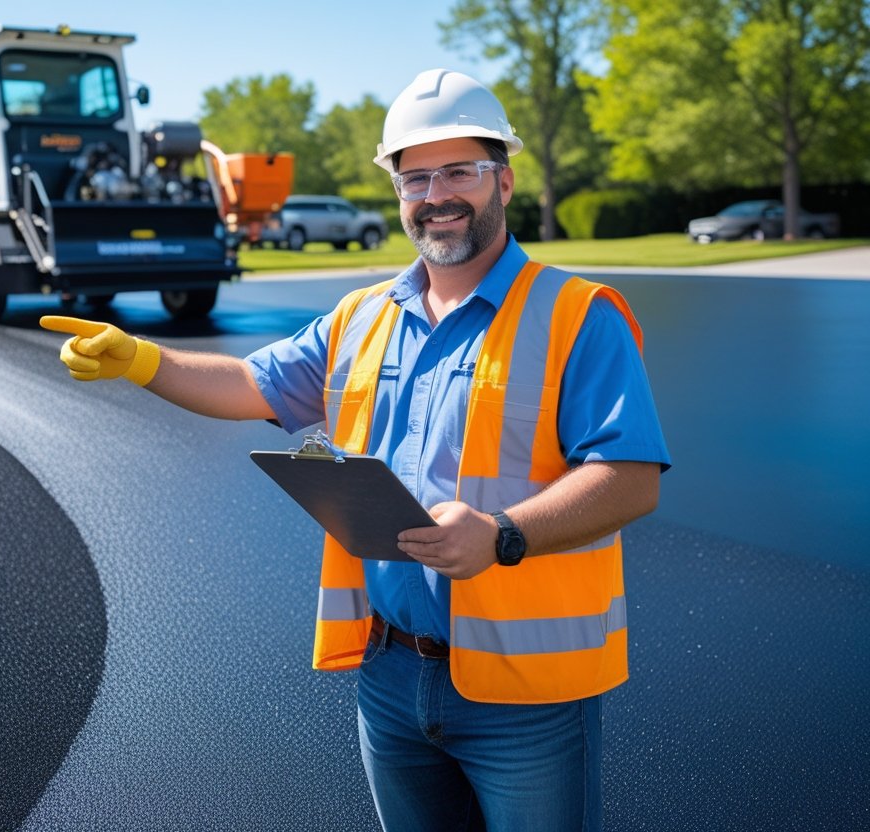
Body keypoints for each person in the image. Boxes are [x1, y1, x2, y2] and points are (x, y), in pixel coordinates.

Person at [40, 69, 670, 832]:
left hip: (527, 696)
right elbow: (249, 383)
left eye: (460, 171)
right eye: (415, 177)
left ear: (503, 177)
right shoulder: (361, 316)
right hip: (390, 678)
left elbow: (629, 479)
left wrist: (505, 536)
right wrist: (143, 360)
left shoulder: (578, 316)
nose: (437, 193)